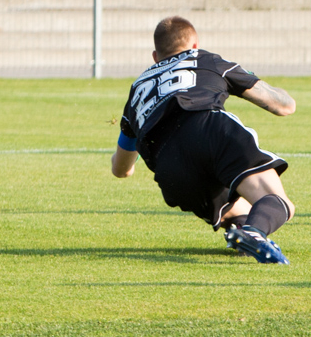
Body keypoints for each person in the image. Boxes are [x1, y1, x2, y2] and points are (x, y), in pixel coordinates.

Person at [113, 16, 297, 264]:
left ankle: (246, 233)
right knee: (276, 200)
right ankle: (255, 232)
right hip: (206, 126)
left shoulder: (137, 90)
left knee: (236, 210)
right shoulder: (206, 60)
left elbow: (121, 169)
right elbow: (283, 106)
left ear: (155, 56)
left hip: (168, 167)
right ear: (195, 46)